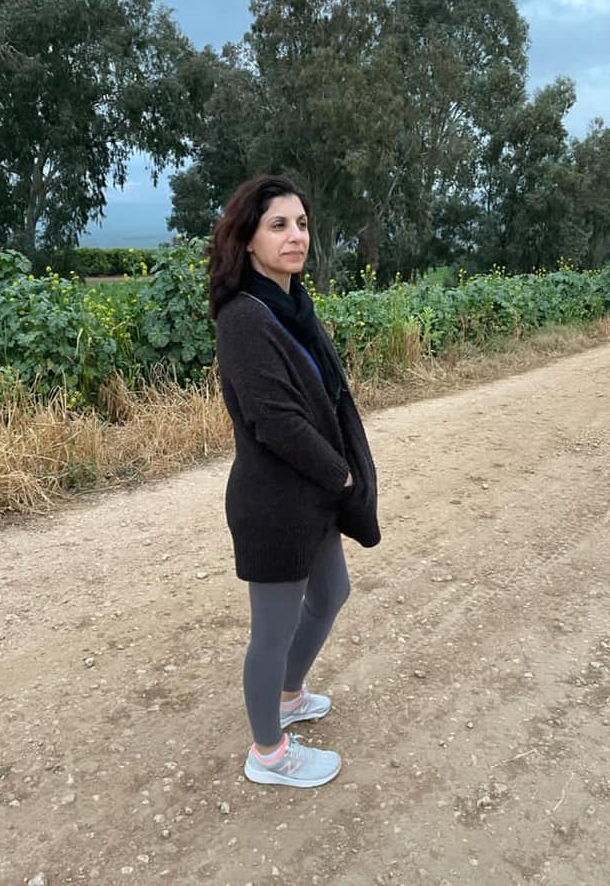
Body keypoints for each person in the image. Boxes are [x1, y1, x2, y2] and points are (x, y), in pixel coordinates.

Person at [209, 175, 380, 788]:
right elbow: (275, 421)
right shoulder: (244, 318)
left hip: (315, 495)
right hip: (276, 503)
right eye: (278, 225)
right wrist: (342, 473)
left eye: (302, 224)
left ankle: (287, 696)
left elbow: (326, 398)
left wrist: (336, 479)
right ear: (247, 240)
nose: (295, 236)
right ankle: (268, 753)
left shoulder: (294, 309)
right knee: (272, 631)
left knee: (331, 594)